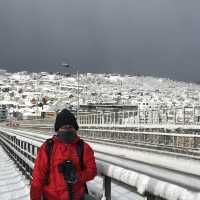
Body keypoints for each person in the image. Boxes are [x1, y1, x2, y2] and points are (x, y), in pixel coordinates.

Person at [30, 109, 97, 200]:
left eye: (70, 126)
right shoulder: (47, 147)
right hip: (51, 197)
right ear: (58, 129)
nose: (67, 129)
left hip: (76, 197)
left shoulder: (83, 148)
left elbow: (92, 171)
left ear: (75, 128)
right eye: (63, 127)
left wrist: (77, 176)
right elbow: (38, 176)